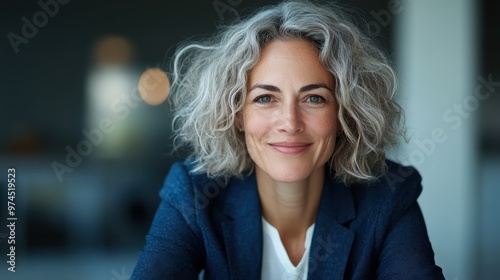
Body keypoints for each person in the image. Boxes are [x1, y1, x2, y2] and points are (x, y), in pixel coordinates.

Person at [132, 1, 445, 279]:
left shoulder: (388, 195)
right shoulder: (194, 193)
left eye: (314, 99)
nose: (290, 123)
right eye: (266, 98)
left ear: (344, 112)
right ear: (236, 113)